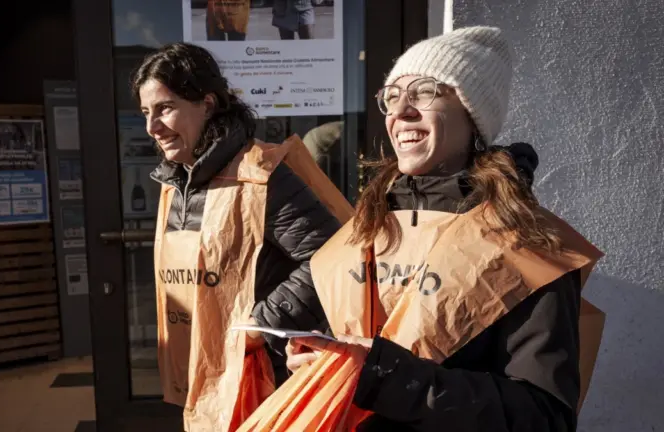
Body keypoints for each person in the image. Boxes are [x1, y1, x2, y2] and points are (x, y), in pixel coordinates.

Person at [286, 26, 595, 431]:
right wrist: (320, 360)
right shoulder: (367, 224)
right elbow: (355, 343)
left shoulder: (527, 243)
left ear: (472, 114)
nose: (400, 113)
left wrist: (387, 376)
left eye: (425, 92)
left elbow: (544, 417)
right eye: (392, 97)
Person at [132, 42, 340, 429]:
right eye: (146, 112)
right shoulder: (176, 183)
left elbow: (331, 256)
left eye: (165, 108)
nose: (151, 127)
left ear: (207, 104)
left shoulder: (261, 174)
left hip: (264, 378)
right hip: (208, 375)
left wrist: (261, 324)